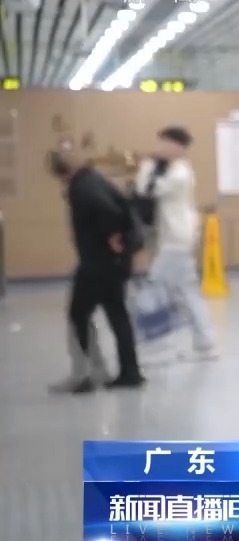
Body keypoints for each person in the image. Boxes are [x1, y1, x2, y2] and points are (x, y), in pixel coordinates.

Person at [48, 150, 144, 392]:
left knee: (77, 315)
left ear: (63, 172)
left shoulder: (82, 187)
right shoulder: (97, 178)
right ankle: (130, 372)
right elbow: (122, 206)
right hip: (116, 263)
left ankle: (85, 375)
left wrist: (112, 235)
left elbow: (108, 211)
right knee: (117, 315)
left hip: (97, 263)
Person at [133, 126, 218, 360]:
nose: (159, 147)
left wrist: (147, 165)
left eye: (164, 143)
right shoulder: (172, 170)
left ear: (177, 147)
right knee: (187, 292)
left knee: (156, 288)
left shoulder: (180, 173)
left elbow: (146, 190)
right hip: (175, 238)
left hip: (177, 240)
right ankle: (205, 343)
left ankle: (156, 343)